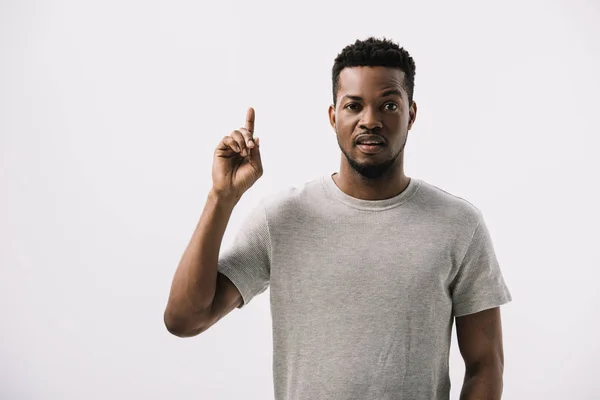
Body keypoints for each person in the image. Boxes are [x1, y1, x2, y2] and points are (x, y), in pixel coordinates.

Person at [164, 37, 512, 400]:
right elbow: (185, 318)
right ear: (333, 116)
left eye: (389, 105)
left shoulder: (459, 225)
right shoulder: (281, 219)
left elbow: (486, 365)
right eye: (354, 106)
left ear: (411, 114)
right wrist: (222, 197)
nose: (370, 121)